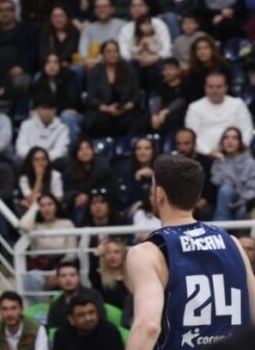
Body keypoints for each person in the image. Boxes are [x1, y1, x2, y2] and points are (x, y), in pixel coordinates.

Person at [125, 154, 255, 349]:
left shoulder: (147, 252)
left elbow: (148, 327)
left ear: (159, 193)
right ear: (196, 196)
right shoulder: (233, 243)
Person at [184, 71, 253, 154]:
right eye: (211, 87)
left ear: (226, 87)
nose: (214, 90)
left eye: (218, 87)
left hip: (237, 153)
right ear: (205, 88)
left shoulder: (238, 104)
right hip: (205, 156)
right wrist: (208, 152)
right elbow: (191, 136)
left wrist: (240, 148)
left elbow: (247, 129)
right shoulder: (194, 107)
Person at [47, 261, 106, 336]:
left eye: (72, 275)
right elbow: (52, 329)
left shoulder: (93, 296)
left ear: (79, 277)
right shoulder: (56, 304)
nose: (68, 279)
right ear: (58, 279)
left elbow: (102, 321)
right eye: (63, 276)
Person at [208, 127, 255, 221]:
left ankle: (221, 230)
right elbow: (218, 182)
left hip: (244, 202)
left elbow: (252, 188)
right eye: (226, 138)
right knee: (225, 190)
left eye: (234, 138)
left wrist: (240, 203)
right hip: (224, 201)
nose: (230, 141)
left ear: (240, 142)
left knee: (241, 211)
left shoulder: (250, 162)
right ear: (222, 142)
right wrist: (222, 161)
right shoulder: (219, 161)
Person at [52, 295, 123, 350]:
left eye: (91, 312)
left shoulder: (111, 332)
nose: (88, 318)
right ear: (71, 319)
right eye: (81, 315)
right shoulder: (61, 335)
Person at [77, 0, 126, 68]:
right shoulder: (88, 29)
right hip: (93, 65)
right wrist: (89, 60)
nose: (102, 10)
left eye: (105, 7)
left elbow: (124, 50)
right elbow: (83, 52)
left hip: (117, 64)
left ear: (112, 9)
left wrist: (102, 59)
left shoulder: (122, 25)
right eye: (98, 7)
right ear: (95, 11)